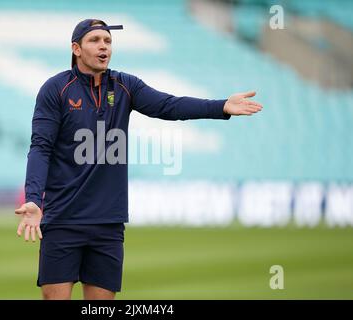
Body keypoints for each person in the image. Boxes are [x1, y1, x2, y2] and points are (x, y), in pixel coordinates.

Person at [15, 18, 263, 300]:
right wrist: (34, 198)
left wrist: (221, 107)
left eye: (108, 41)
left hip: (108, 223)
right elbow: (40, 147)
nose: (104, 47)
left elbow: (169, 105)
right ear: (76, 48)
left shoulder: (125, 85)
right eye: (95, 41)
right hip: (62, 220)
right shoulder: (55, 89)